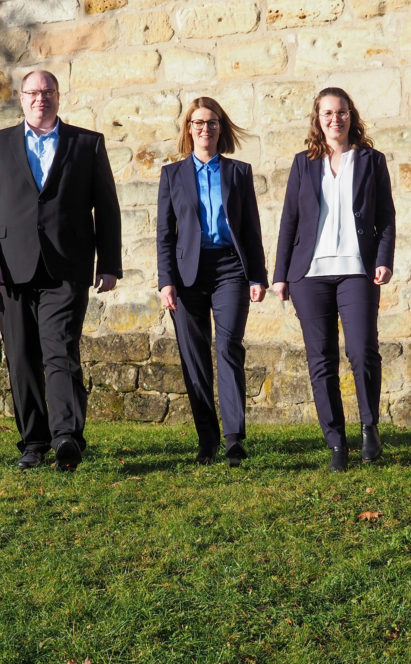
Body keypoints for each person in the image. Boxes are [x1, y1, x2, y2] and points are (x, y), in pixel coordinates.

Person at [0, 70, 122, 472]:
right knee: (21, 357)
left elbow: (106, 207)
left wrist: (109, 264)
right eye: (33, 93)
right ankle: (34, 442)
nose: (41, 99)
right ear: (21, 98)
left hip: (66, 267)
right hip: (10, 269)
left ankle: (67, 436)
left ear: (58, 97)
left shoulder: (87, 144)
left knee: (60, 350)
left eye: (48, 92)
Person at [272, 87, 396, 472]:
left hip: (357, 270)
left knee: (362, 352)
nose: (334, 119)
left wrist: (384, 259)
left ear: (351, 116)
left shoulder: (372, 161)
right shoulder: (303, 163)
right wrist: (280, 275)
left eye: (341, 112)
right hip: (309, 274)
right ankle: (336, 443)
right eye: (327, 113)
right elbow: (290, 219)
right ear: (318, 118)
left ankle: (369, 429)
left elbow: (387, 217)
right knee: (320, 359)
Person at [157, 97, 268, 467]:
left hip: (230, 270)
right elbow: (165, 235)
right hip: (187, 273)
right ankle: (208, 439)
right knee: (195, 356)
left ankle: (235, 438)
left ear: (222, 127)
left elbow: (251, 228)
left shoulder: (238, 173)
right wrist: (165, 281)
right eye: (199, 122)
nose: (206, 129)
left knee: (228, 348)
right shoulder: (172, 175)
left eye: (213, 122)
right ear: (188, 129)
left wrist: (258, 275)